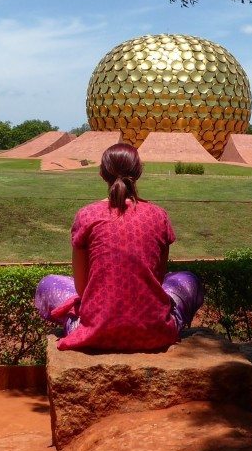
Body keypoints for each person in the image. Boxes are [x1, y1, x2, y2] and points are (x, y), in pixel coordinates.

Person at [34, 142, 204, 352]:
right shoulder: (158, 215)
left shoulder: (87, 215)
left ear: (101, 173)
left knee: (48, 284)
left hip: (94, 331)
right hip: (155, 331)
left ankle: (94, 320)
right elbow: (157, 280)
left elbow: (81, 288)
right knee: (188, 279)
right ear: (139, 172)